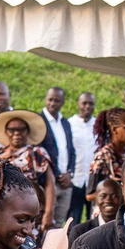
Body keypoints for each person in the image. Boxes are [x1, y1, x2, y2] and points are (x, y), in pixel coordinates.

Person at [39, 84, 88, 225]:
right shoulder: (39, 121)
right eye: (50, 99)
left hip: (66, 183)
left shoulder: (65, 122)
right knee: (43, 222)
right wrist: (57, 175)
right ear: (46, 100)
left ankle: (55, 248)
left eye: (57, 100)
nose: (53, 103)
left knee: (59, 223)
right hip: (48, 183)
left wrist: (69, 173)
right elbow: (41, 153)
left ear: (63, 102)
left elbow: (71, 150)